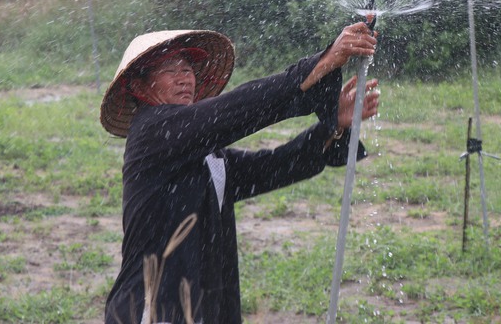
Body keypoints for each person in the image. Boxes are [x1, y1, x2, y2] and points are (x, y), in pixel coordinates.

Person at [100, 22, 379, 324]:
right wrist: (320, 65)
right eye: (170, 70)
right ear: (140, 88)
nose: (184, 79)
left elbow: (273, 167)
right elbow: (233, 110)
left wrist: (334, 124)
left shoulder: (203, 152)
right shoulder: (153, 131)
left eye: (187, 70)